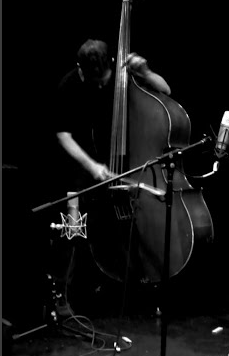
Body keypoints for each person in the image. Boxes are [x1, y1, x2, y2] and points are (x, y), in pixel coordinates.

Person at [49, 38, 172, 315]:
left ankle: (140, 281)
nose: (101, 86)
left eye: (104, 80)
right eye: (95, 82)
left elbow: (165, 91)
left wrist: (146, 72)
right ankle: (62, 293)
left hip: (122, 158)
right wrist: (92, 166)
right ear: (80, 69)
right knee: (73, 222)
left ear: (112, 64)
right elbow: (63, 135)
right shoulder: (69, 85)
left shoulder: (124, 71)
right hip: (82, 162)